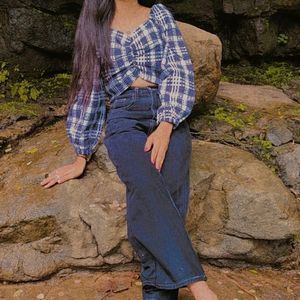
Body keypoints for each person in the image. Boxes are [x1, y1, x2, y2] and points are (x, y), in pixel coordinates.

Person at [40, 1, 219, 299]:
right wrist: (81, 154)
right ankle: (196, 284)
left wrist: (166, 123)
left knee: (171, 188)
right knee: (145, 181)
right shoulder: (94, 23)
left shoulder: (159, 13)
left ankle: (157, 292)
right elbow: (89, 89)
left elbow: (179, 69)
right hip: (124, 113)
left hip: (167, 110)